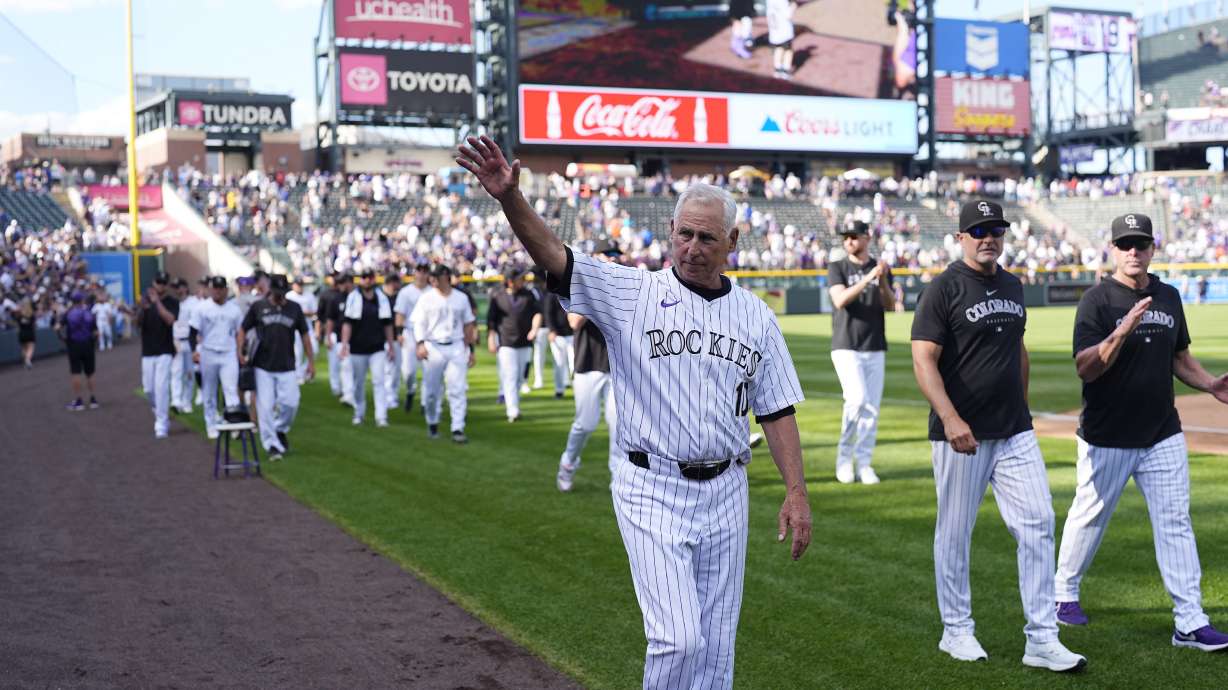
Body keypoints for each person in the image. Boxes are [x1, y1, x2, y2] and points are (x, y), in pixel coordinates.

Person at [458, 136, 811, 689]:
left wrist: (796, 491)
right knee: (678, 637)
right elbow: (555, 255)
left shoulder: (756, 317)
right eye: (684, 234)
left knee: (717, 648)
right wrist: (510, 201)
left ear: (733, 241)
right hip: (651, 485)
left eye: (707, 237)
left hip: (726, 490)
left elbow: (778, 410)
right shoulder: (631, 293)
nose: (693, 247)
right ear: (670, 233)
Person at [910, 200, 1084, 671]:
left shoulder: (1012, 283)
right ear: (961, 237)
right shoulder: (943, 288)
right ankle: (956, 630)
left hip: (1013, 431)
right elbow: (923, 358)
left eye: (996, 230)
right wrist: (949, 418)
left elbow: (1018, 350)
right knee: (955, 533)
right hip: (961, 434)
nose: (988, 237)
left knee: (1039, 523)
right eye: (978, 230)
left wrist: (1023, 410)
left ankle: (1042, 638)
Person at [1054, 213, 1228, 651]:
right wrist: (1121, 330)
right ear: (1113, 249)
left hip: (1162, 432)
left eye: (1142, 243)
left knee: (1175, 522)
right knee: (1089, 517)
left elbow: (1180, 358)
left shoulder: (1168, 296)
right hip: (1107, 434)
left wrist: (1209, 384)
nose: (1134, 251)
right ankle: (1063, 593)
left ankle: (1189, 621)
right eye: (1126, 244)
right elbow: (1086, 368)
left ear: (1153, 248)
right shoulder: (1096, 301)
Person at [828, 220, 894, 485]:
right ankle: (844, 460)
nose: (849, 241)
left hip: (874, 343)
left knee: (872, 408)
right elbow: (840, 300)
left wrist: (883, 281)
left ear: (868, 238)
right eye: (846, 238)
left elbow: (890, 305)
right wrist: (868, 277)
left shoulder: (880, 267)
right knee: (856, 400)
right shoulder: (838, 267)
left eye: (854, 236)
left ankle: (864, 463)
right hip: (845, 344)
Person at [555, 240, 622, 492]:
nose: (613, 258)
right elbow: (574, 321)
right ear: (596, 256)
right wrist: (598, 291)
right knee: (585, 423)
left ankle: (618, 477)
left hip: (616, 366)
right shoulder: (582, 284)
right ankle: (568, 463)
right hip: (588, 363)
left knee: (619, 424)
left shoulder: (624, 284)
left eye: (616, 254)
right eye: (608, 254)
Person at [240, 274, 313, 461]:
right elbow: (242, 329)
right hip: (263, 365)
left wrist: (311, 362)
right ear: (270, 289)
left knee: (291, 403)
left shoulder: (294, 308)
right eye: (277, 291)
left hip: (287, 364)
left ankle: (279, 429)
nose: (280, 295)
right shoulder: (259, 306)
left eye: (283, 292)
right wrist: (240, 351)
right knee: (265, 407)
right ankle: (271, 445)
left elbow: (305, 336)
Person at [410, 264, 476, 442]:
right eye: (432, 277)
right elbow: (418, 323)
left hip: (455, 345)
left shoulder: (461, 298)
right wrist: (420, 343)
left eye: (436, 277)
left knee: (457, 388)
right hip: (433, 346)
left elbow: (468, 324)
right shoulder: (426, 298)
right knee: (431, 391)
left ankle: (458, 428)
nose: (433, 280)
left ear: (446, 277)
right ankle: (432, 422)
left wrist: (470, 349)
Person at [190, 276, 243, 440]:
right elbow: (193, 331)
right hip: (208, 352)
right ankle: (211, 424)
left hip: (228, 353)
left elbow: (240, 332)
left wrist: (240, 351)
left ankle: (232, 422)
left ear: (226, 290)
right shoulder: (202, 308)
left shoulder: (234, 309)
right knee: (209, 391)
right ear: (210, 289)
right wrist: (194, 350)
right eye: (215, 288)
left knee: (231, 390)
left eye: (220, 288)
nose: (217, 291)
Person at [340, 269, 395, 427]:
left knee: (379, 380)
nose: (368, 280)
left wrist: (390, 345)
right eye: (364, 277)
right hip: (357, 347)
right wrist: (344, 344)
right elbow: (347, 323)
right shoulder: (354, 297)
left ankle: (381, 416)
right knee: (359, 383)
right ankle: (359, 413)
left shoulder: (381, 298)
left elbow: (387, 324)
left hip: (377, 346)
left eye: (370, 277)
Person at [487, 267, 541, 422]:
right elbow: (492, 321)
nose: (523, 281)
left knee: (520, 378)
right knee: (510, 376)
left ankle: (514, 405)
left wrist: (535, 329)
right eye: (520, 278)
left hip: (525, 342)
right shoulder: (498, 296)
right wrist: (491, 338)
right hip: (506, 343)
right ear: (510, 281)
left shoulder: (528, 295)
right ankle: (513, 410)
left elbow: (538, 313)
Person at [138, 273, 179, 439]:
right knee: (148, 389)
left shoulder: (172, 302)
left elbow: (170, 320)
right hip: (148, 351)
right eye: (158, 282)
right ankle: (160, 411)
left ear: (167, 285)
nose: (160, 286)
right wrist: (143, 308)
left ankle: (161, 424)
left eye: (163, 283)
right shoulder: (145, 301)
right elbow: (137, 323)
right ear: (153, 283)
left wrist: (157, 303)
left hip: (165, 350)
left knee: (161, 387)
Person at [394, 263, 432, 412]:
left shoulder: (432, 292)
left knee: (429, 370)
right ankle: (410, 391)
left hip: (428, 335)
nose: (422, 275)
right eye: (419, 271)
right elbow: (400, 314)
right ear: (415, 273)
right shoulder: (406, 292)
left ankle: (425, 402)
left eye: (425, 271)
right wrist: (398, 333)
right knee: (408, 371)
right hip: (410, 333)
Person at [59, 291, 98, 411]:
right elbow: (96, 333)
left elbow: (58, 327)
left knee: (76, 373)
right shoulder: (89, 313)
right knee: (90, 373)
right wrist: (93, 344)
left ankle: (79, 401)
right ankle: (93, 400)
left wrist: (63, 339)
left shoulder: (68, 313)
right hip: (88, 345)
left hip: (74, 345)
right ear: (82, 301)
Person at [322, 273, 356, 406]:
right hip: (340, 336)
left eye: (343, 282)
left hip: (357, 337)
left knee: (354, 368)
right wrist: (328, 336)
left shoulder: (357, 297)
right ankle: (347, 394)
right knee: (344, 365)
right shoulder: (336, 298)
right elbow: (330, 319)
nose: (340, 285)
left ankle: (351, 392)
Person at [170, 279, 198, 414]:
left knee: (189, 373)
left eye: (179, 287)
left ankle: (187, 401)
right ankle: (176, 400)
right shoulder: (172, 303)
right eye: (175, 288)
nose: (177, 290)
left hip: (189, 341)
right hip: (176, 340)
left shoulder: (193, 302)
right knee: (176, 372)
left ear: (186, 287)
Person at [286, 277, 319, 385]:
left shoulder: (309, 296)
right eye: (297, 284)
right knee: (297, 352)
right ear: (293, 285)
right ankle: (298, 376)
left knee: (314, 349)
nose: (299, 287)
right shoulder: (289, 296)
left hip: (307, 326)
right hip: (294, 327)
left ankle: (306, 371)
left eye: (301, 284)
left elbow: (314, 312)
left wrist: (302, 313)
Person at [542, 288, 574, 399]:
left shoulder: (574, 291)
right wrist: (551, 330)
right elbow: (548, 313)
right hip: (558, 335)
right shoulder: (552, 295)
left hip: (573, 334)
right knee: (559, 364)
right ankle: (559, 390)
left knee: (575, 364)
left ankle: (578, 388)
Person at [380, 272, 403, 411]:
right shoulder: (379, 297)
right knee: (385, 371)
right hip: (380, 339)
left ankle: (391, 396)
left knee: (394, 370)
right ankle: (388, 397)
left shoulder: (398, 298)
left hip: (394, 338)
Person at [766, 0, 796, 80]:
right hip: (784, 30)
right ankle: (785, 70)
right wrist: (793, 6)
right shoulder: (782, 2)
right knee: (788, 50)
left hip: (774, 29)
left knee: (778, 48)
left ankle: (777, 69)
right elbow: (788, 15)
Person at [16, 300, 36, 369]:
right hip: (29, 332)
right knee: (30, 348)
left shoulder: (19, 315)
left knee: (24, 349)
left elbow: (18, 324)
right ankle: (28, 360)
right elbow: (33, 325)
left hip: (22, 333)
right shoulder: (31, 314)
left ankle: (25, 362)